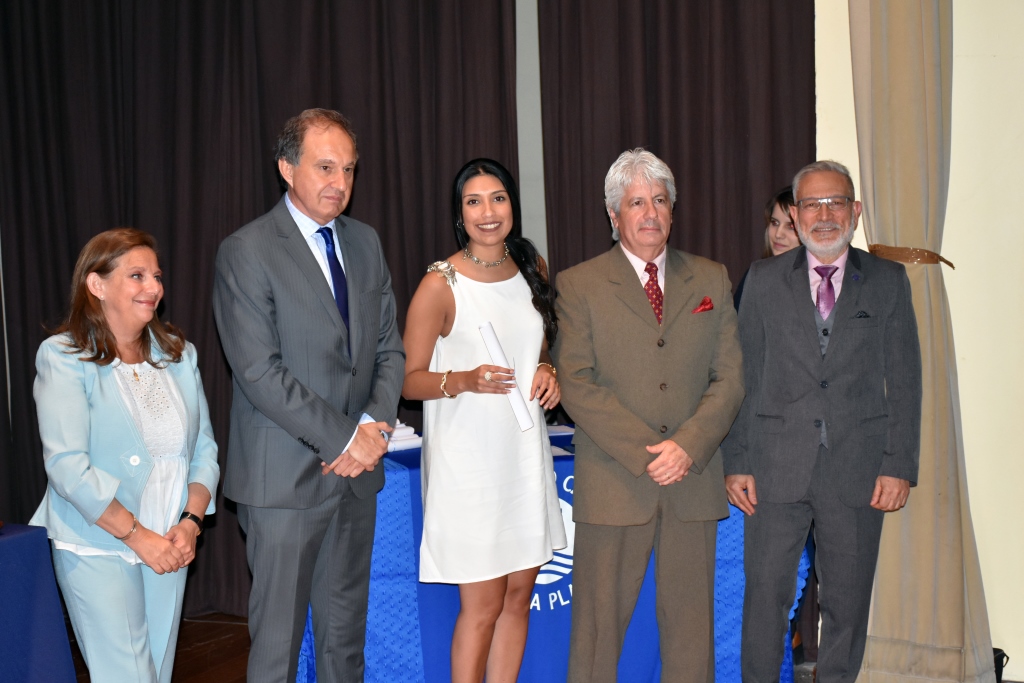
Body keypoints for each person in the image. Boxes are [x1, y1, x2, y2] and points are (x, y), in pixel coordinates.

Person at [212, 108, 405, 683]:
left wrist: (371, 428)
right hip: (284, 483)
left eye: (348, 169)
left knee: (345, 650)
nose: (339, 183)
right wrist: (346, 437)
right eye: (325, 166)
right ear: (286, 168)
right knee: (276, 653)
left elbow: (388, 351)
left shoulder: (365, 243)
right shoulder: (246, 251)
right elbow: (258, 371)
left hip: (355, 475)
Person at [722, 160, 922, 683]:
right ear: (795, 213)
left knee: (847, 608)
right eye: (812, 204)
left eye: (836, 202)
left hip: (857, 471)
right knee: (764, 602)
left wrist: (899, 464)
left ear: (855, 211)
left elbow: (904, 380)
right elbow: (743, 376)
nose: (824, 214)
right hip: (773, 468)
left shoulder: (887, 281)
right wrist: (737, 460)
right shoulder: (762, 282)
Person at [553, 148, 744, 683]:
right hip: (616, 482)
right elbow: (576, 381)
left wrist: (688, 445)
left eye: (660, 200)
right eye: (636, 202)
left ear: (673, 209)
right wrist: (649, 453)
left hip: (692, 478)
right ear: (614, 216)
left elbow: (730, 378)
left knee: (691, 639)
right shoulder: (579, 284)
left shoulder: (711, 278)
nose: (650, 213)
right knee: (596, 639)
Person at [401, 158, 567, 683]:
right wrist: (464, 379)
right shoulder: (440, 284)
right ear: (460, 214)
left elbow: (537, 343)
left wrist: (546, 368)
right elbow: (408, 380)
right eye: (474, 201)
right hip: (469, 467)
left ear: (512, 205)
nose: (488, 212)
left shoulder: (532, 266)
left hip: (523, 455)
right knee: (482, 607)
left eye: (497, 198)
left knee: (519, 598)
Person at [30, 228, 220, 683]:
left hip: (171, 540)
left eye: (156, 276)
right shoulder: (63, 357)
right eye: (136, 276)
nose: (154, 287)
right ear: (96, 285)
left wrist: (190, 525)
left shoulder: (179, 354)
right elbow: (67, 468)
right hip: (98, 542)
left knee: (156, 671)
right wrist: (139, 536)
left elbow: (204, 451)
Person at [733, 186, 800, 308]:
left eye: (790, 226)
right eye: (774, 223)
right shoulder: (755, 276)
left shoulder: (823, 280)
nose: (778, 234)